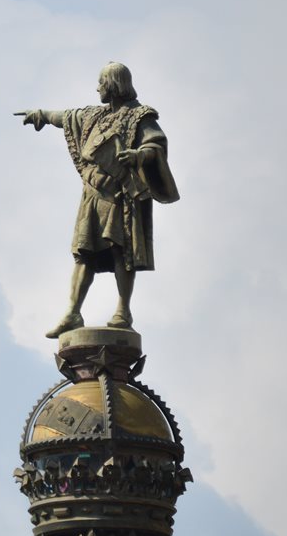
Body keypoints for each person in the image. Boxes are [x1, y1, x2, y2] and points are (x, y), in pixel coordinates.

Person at [17, 62, 179, 338]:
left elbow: (155, 144)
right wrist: (42, 115)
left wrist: (139, 155)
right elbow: (68, 117)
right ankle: (72, 313)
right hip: (92, 194)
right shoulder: (95, 116)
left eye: (101, 83)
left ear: (114, 84)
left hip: (120, 194)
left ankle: (123, 312)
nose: (98, 88)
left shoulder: (140, 116)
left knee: (120, 251)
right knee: (83, 254)